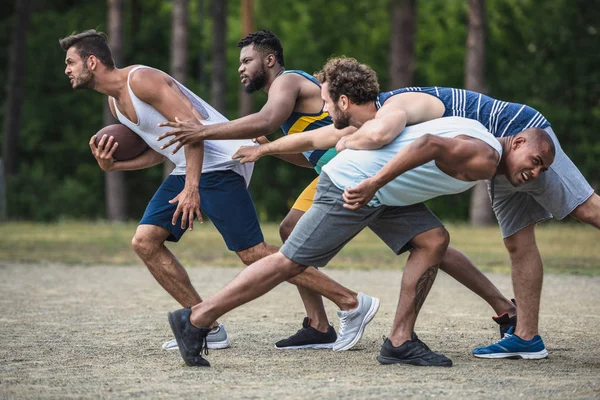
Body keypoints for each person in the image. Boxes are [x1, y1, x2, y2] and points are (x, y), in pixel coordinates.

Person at [158, 31, 520, 348]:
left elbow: (289, 126)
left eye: (247, 60)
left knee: (418, 241)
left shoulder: (285, 83)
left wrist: (203, 131)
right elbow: (309, 149)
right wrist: (267, 149)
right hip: (341, 169)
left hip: (359, 170)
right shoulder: (284, 110)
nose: (241, 67)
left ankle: (333, 313)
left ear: (269, 60)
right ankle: (319, 324)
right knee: (427, 240)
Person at [238, 57, 596, 359]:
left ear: (346, 101)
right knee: (511, 240)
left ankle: (507, 321)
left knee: (586, 210)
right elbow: (322, 138)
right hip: (494, 154)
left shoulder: (391, 110)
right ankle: (525, 335)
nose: (325, 109)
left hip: (519, 134)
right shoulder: (367, 118)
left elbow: (375, 136)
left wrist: (352, 154)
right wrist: (265, 149)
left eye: (327, 103)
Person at [59, 30, 376, 354]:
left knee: (252, 253)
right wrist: (115, 168)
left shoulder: (141, 80)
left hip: (220, 162)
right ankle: (207, 327)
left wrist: (192, 188)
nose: (67, 69)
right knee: (145, 242)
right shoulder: (116, 105)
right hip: (190, 167)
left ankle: (351, 302)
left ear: (92, 61)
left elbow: (192, 128)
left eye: (71, 62)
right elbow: (163, 147)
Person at [167, 111, 555, 367]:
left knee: (433, 239)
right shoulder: (486, 156)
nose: (535, 173)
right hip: (356, 185)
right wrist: (373, 183)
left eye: (542, 169)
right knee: (290, 262)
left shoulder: (478, 131)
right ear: (517, 142)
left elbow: (416, 137)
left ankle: (400, 341)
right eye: (534, 161)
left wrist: (378, 184)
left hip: (382, 190)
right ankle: (197, 319)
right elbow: (428, 145)